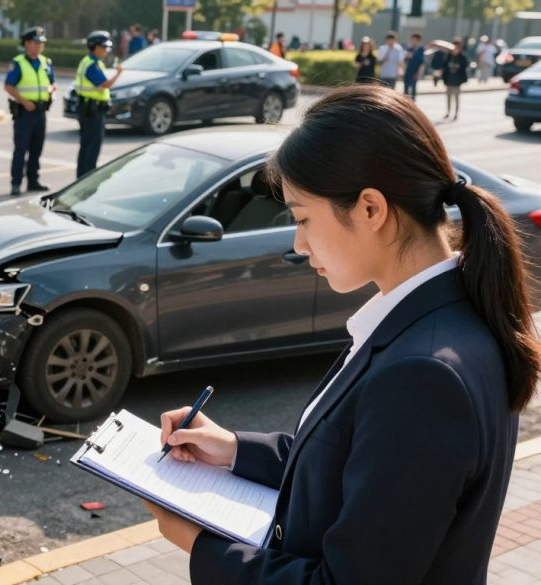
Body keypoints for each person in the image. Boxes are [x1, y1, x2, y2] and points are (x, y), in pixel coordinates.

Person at [147, 83, 538, 585]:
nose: (298, 243)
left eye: (303, 218)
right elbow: (353, 461)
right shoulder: (440, 317)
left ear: (371, 209)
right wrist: (233, 448)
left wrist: (201, 545)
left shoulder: (424, 374)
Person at [4, 27, 56, 197]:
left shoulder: (45, 62)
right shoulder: (19, 63)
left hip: (41, 111)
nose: (40, 45)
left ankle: (33, 180)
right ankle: (16, 183)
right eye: (36, 42)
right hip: (25, 112)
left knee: (37, 148)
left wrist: (51, 92)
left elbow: (52, 83)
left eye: (42, 43)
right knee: (21, 149)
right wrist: (24, 101)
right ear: (27, 43)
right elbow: (8, 86)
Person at [74, 30, 124, 179]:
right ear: (95, 47)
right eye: (104, 47)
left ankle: (82, 177)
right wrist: (118, 73)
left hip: (89, 109)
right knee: (92, 146)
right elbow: (105, 84)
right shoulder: (92, 65)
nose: (106, 50)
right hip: (92, 111)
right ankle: (87, 177)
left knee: (86, 145)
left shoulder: (92, 62)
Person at [443, 39, 470, 120]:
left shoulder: (462, 56)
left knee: (456, 98)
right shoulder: (449, 56)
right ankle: (448, 112)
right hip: (449, 80)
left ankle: (456, 113)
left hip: (457, 81)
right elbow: (444, 65)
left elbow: (465, 66)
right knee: (448, 98)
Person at [403, 33, 426, 101]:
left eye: (415, 40)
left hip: (415, 72)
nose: (413, 41)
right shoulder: (409, 49)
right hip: (408, 72)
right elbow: (404, 61)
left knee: (413, 89)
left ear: (418, 40)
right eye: (412, 39)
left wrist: (419, 73)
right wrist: (407, 56)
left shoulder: (421, 49)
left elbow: (422, 63)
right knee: (406, 89)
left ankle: (412, 104)